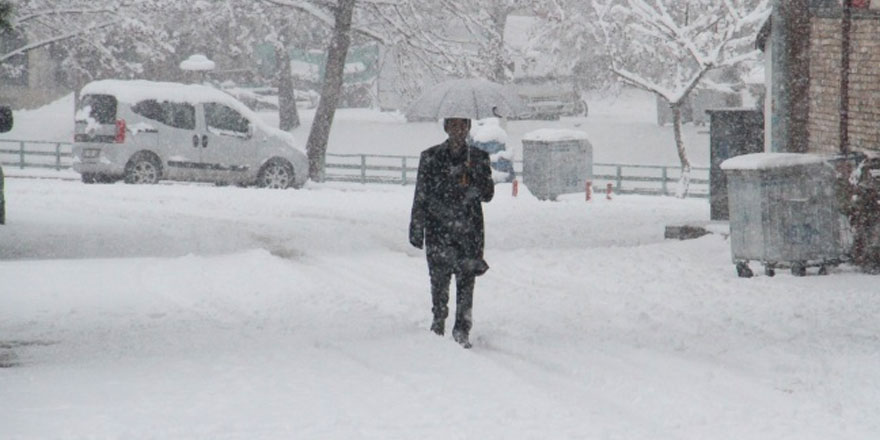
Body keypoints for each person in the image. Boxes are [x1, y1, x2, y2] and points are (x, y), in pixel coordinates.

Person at [409, 117, 495, 348]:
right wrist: (417, 227)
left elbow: (487, 194)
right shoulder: (430, 157)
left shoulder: (478, 158)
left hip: (468, 230)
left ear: (468, 128)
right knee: (439, 279)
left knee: (466, 281)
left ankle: (462, 328)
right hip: (438, 227)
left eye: (463, 125)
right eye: (453, 125)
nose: (458, 130)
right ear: (446, 128)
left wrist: (473, 175)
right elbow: (422, 194)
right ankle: (439, 319)